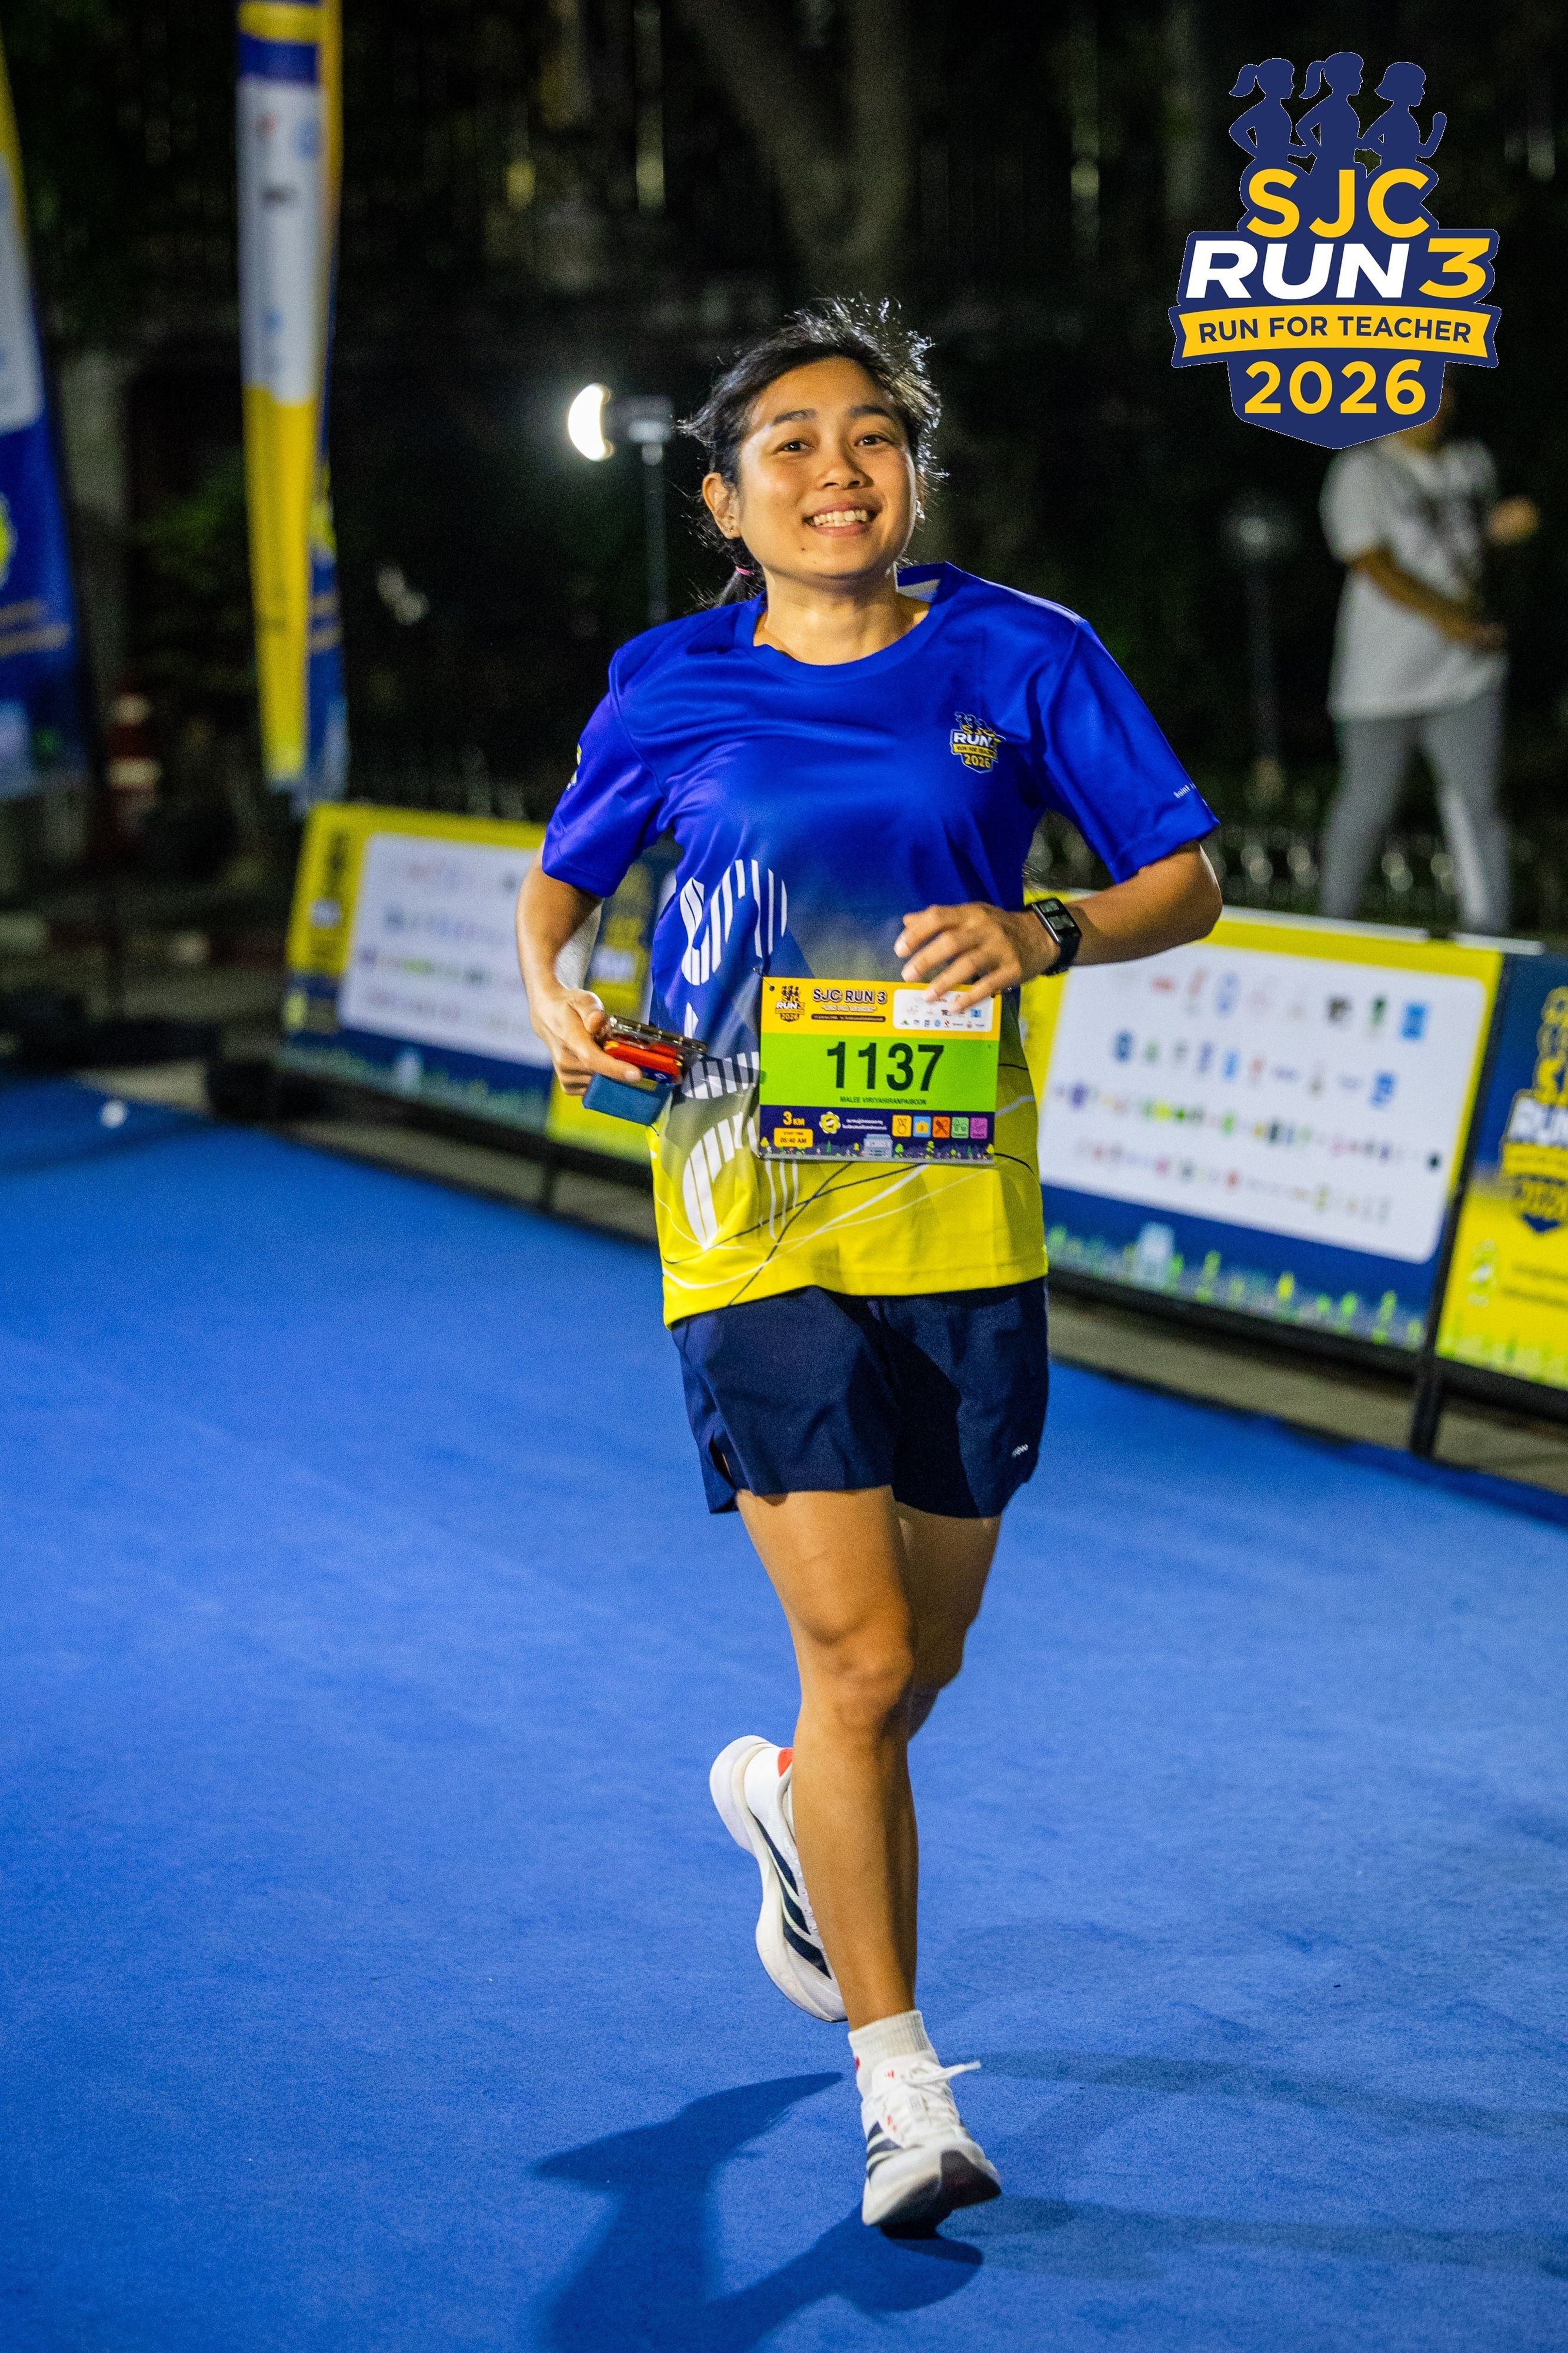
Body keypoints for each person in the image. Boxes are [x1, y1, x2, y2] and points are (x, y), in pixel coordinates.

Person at [516, 301, 1221, 2235]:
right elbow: (561, 882)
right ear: (720, 499)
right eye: (792, 446)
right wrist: (553, 992)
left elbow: (1185, 876)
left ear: (912, 471)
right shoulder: (666, 683)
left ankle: (781, 1798)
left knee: (918, 1662)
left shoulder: (1024, 653)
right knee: (865, 1656)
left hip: (958, 1210)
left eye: (872, 438)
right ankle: (902, 2096)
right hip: (742, 1202)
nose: (838, 472)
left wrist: (1046, 932)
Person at [1318, 382, 1539, 934]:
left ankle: (1488, 932)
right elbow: (1372, 561)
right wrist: (1448, 616)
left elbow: (1470, 549)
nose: (1434, 407)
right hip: (1381, 676)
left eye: (1443, 392)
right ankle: (1331, 927)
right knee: (1368, 803)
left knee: (1476, 803)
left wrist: (1502, 534)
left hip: (1466, 673)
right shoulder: (1363, 470)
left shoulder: (1471, 462)